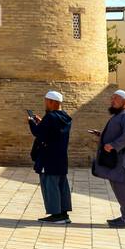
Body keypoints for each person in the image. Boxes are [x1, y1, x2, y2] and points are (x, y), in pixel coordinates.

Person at [91, 90, 125, 229]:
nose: (112, 101)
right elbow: (120, 133)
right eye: (112, 98)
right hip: (118, 159)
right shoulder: (120, 115)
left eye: (116, 99)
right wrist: (102, 135)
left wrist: (113, 145)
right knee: (119, 187)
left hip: (124, 159)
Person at [28, 90, 72, 223]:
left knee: (50, 186)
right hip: (60, 158)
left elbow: (38, 133)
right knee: (61, 186)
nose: (45, 104)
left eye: (46, 102)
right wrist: (42, 122)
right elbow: (53, 132)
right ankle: (64, 214)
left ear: (52, 102)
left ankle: (56, 215)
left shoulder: (50, 117)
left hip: (48, 158)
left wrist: (31, 122)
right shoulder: (66, 117)